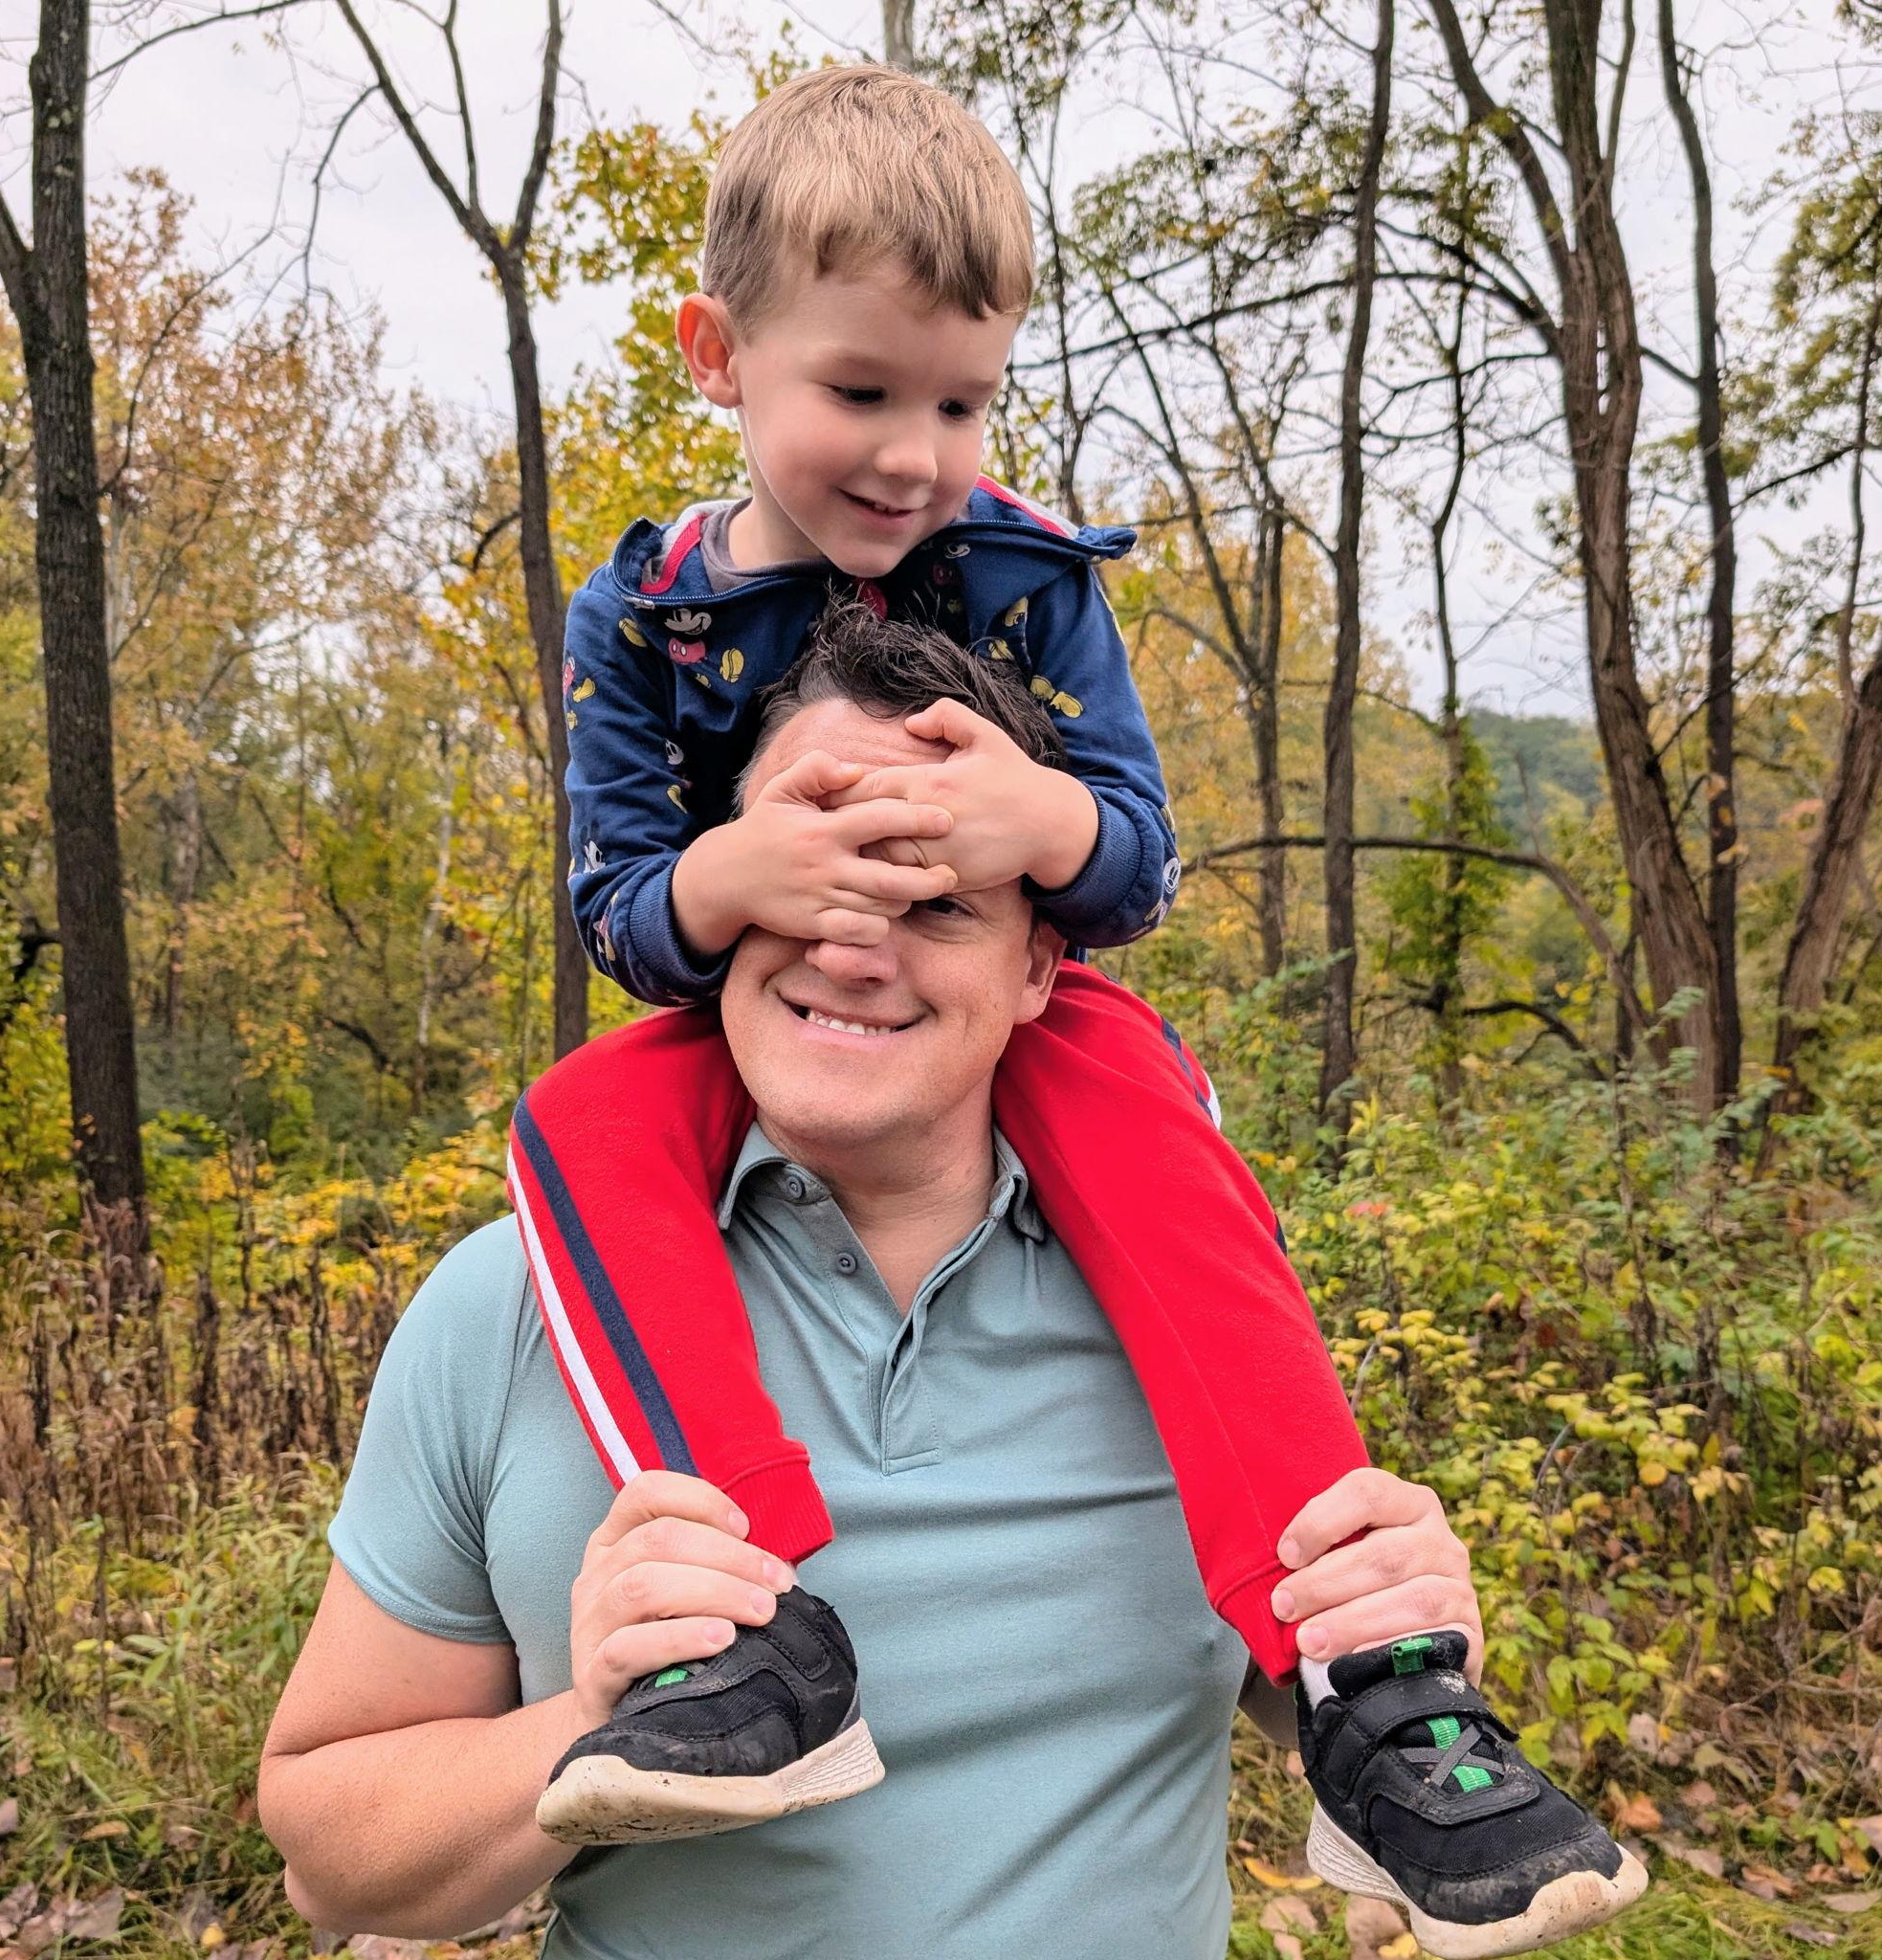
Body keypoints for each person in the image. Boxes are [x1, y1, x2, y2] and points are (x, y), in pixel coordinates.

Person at [524, 62, 1643, 1953]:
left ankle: (1360, 1679)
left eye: (960, 401)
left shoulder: (1023, 574)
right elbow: (620, 905)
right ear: (719, 356)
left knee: (1146, 1115)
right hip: (759, 1009)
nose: (912, 455)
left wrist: (1029, 819)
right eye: (861, 391)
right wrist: (733, 879)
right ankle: (745, 1622)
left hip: (1002, 1017)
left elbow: (1127, 863)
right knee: (575, 1121)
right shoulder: (652, 622)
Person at [260, 622, 1638, 1960]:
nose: (855, 949)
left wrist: (1390, 1618)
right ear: (723, 902)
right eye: (809, 885)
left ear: (1042, 964)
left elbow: (1301, 1701)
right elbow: (329, 1847)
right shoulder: (505, 1306)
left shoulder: (1201, 1309)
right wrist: (587, 1720)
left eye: (937, 905)